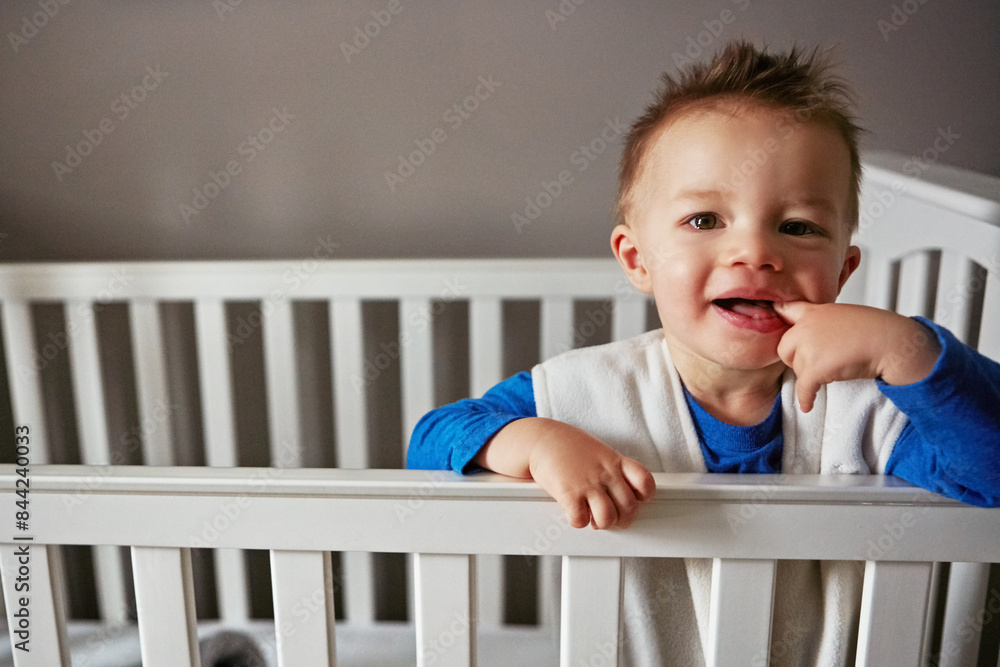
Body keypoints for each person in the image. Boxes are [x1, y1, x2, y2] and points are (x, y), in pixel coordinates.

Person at [407, 40, 1000, 665]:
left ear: (843, 271)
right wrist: (538, 443)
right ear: (637, 258)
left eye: (797, 227)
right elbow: (431, 442)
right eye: (705, 220)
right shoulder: (588, 393)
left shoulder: (870, 412)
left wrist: (909, 349)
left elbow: (989, 469)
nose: (756, 252)